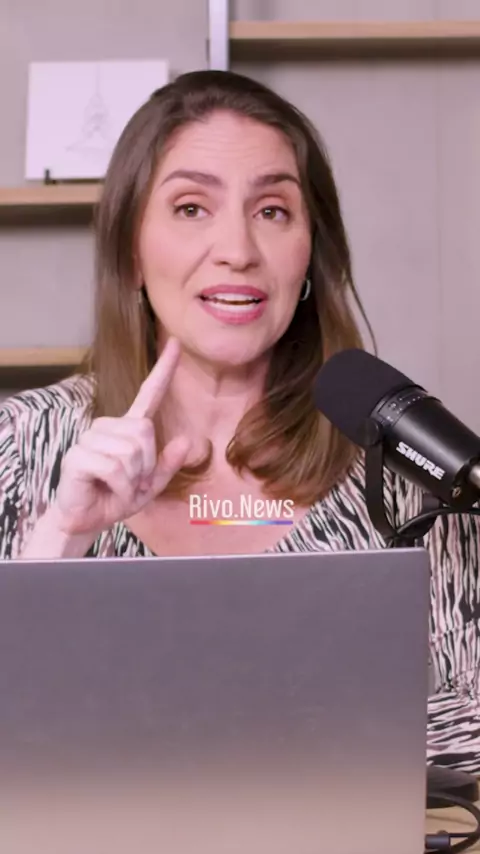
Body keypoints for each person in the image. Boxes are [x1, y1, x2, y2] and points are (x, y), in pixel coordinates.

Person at [0, 69, 479, 773]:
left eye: (273, 211)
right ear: (132, 251)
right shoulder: (18, 446)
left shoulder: (407, 473)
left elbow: (470, 725)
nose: (237, 250)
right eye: (191, 207)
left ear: (310, 254)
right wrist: (61, 542)